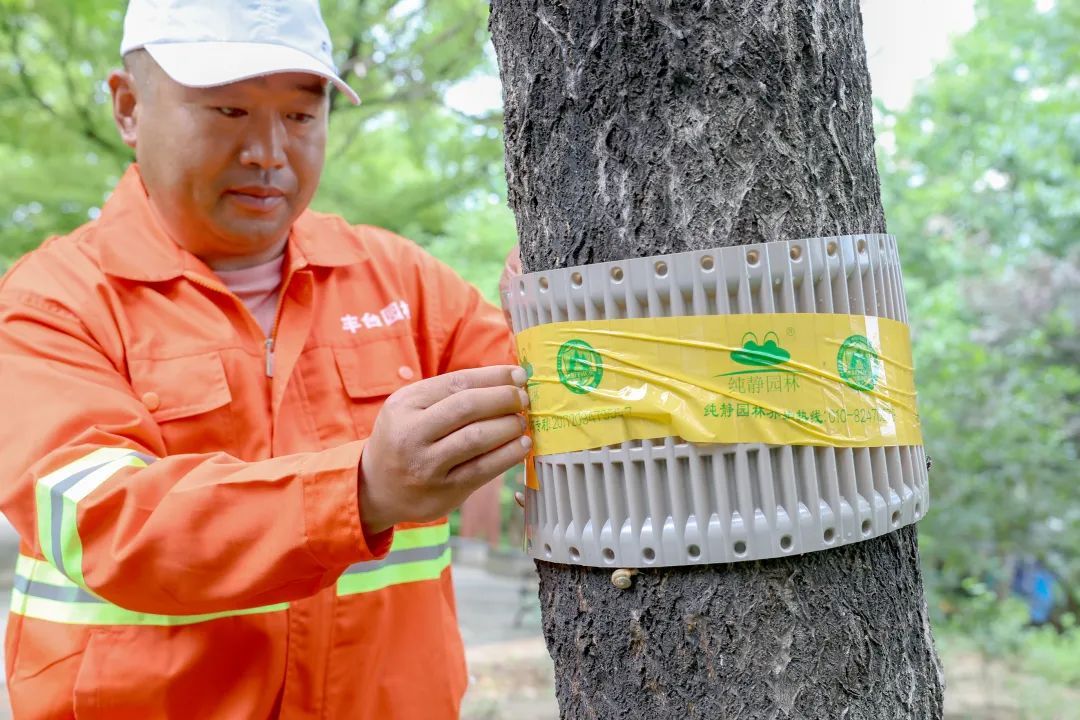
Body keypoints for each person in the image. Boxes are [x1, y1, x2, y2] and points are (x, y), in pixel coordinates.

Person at [0, 1, 528, 717]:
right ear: (128, 108)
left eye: (302, 117)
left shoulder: (401, 282)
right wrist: (363, 489)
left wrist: (555, 318)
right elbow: (106, 522)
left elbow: (551, 401)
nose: (270, 152)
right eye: (227, 111)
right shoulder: (51, 304)